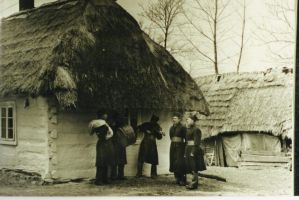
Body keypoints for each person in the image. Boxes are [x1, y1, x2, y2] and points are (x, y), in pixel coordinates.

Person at [89, 110, 115, 185]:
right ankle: (99, 180)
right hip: (102, 143)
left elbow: (110, 133)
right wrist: (105, 136)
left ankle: (105, 179)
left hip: (106, 143)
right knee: (101, 162)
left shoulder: (104, 123)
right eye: (105, 114)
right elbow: (102, 134)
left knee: (106, 161)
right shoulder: (99, 124)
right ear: (101, 115)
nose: (106, 115)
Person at [184, 114, 206, 190]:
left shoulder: (196, 129)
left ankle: (194, 184)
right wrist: (185, 152)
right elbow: (186, 142)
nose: (187, 121)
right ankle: (190, 182)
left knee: (194, 167)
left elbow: (197, 142)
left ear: (193, 121)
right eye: (187, 119)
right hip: (188, 149)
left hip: (194, 149)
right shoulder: (187, 129)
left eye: (189, 120)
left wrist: (193, 152)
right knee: (189, 166)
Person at [169, 112, 187, 186]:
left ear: (179, 119)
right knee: (173, 161)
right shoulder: (171, 127)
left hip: (180, 147)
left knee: (180, 162)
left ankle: (182, 179)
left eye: (175, 118)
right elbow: (171, 137)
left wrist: (185, 148)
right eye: (173, 118)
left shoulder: (183, 127)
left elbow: (185, 138)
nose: (174, 120)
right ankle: (177, 178)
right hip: (173, 146)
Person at [110, 111, 128, 180]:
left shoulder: (121, 125)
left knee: (121, 161)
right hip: (115, 143)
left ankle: (120, 175)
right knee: (115, 161)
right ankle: (114, 176)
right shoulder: (112, 125)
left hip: (121, 143)